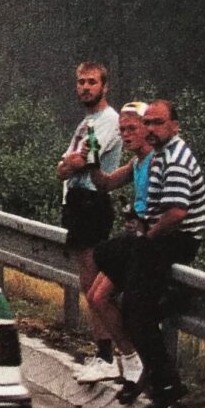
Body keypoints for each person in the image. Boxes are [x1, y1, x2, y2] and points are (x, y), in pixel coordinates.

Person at [121, 99, 205, 408]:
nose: (151, 129)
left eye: (158, 123)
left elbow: (176, 213)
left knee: (135, 309)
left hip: (176, 240)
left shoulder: (176, 158)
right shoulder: (160, 155)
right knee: (128, 294)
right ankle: (165, 302)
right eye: (147, 122)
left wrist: (148, 235)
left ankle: (167, 383)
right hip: (162, 237)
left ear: (175, 125)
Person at [78, 102, 153, 386]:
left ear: (146, 128)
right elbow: (106, 184)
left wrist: (142, 221)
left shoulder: (156, 161)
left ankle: (135, 359)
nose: (126, 134)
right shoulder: (136, 163)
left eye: (132, 128)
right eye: (122, 130)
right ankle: (130, 358)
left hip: (149, 240)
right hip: (135, 237)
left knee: (103, 296)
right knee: (96, 296)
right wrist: (92, 161)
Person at [55, 61, 122, 378]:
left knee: (94, 282)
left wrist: (71, 163)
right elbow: (62, 167)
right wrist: (69, 164)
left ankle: (108, 355)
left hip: (93, 202)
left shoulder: (109, 120)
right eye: (81, 82)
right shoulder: (86, 122)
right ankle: (104, 352)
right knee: (87, 280)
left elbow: (81, 160)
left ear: (104, 86)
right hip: (77, 203)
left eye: (92, 82)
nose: (85, 87)